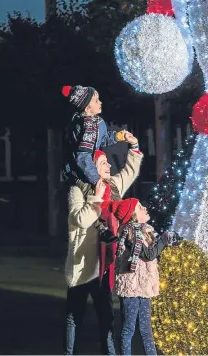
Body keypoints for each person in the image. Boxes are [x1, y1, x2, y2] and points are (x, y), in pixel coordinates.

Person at [64, 144, 143, 355]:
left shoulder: (113, 187)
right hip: (83, 267)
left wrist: (134, 147)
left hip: (105, 266)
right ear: (92, 167)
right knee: (74, 317)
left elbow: (129, 171)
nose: (109, 165)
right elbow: (80, 219)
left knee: (107, 317)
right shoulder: (77, 190)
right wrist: (96, 199)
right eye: (103, 162)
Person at [62, 84, 138, 244]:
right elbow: (82, 157)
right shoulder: (87, 127)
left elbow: (102, 140)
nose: (100, 103)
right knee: (94, 192)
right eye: (96, 101)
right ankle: (101, 228)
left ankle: (122, 220)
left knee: (109, 191)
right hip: (78, 172)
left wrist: (118, 136)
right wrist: (95, 179)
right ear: (87, 108)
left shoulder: (97, 123)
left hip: (89, 167)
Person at [115, 201, 180, 356]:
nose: (144, 208)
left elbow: (155, 249)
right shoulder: (129, 232)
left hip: (144, 286)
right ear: (132, 216)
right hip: (131, 287)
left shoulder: (147, 230)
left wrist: (170, 238)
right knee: (129, 328)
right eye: (139, 207)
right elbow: (148, 254)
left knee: (146, 329)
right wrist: (164, 239)